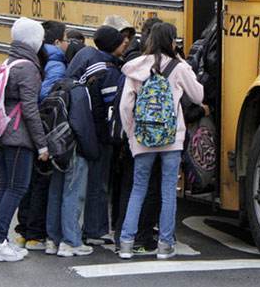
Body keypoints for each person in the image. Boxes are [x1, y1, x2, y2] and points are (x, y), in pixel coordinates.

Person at [118, 22, 206, 260]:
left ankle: (126, 242)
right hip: (171, 139)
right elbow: (198, 95)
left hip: (143, 138)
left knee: (138, 189)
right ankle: (165, 245)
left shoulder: (135, 67)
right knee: (168, 191)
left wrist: (131, 135)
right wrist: (182, 61)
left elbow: (125, 106)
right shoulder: (178, 67)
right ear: (172, 41)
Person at [0, 17, 49, 262]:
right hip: (20, 138)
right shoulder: (29, 68)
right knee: (17, 188)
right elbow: (30, 110)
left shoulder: (10, 62)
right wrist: (42, 144)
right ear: (34, 41)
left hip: (5, 134)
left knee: (5, 187)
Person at [66, 25, 127, 246]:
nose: (125, 44)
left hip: (88, 131)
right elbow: (111, 108)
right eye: (121, 41)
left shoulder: (94, 62)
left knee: (92, 181)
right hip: (100, 136)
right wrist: (114, 137)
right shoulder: (108, 70)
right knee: (99, 183)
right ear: (113, 45)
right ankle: (95, 229)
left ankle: (93, 227)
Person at [14, 20, 69, 251]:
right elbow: (45, 96)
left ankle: (23, 230)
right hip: (43, 128)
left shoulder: (32, 58)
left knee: (28, 183)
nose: (68, 44)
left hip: (27, 127)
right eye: (66, 39)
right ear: (56, 42)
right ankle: (35, 233)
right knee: (41, 183)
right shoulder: (56, 63)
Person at [112, 16, 164, 254]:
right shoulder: (159, 66)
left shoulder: (130, 62)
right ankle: (142, 236)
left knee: (129, 186)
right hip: (149, 137)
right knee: (147, 186)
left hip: (131, 135)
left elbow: (123, 105)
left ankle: (123, 235)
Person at [45, 59, 102, 257]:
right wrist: (92, 150)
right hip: (74, 150)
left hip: (57, 148)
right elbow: (82, 125)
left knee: (56, 193)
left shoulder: (58, 85)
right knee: (73, 194)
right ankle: (70, 242)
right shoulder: (80, 90)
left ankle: (52, 239)